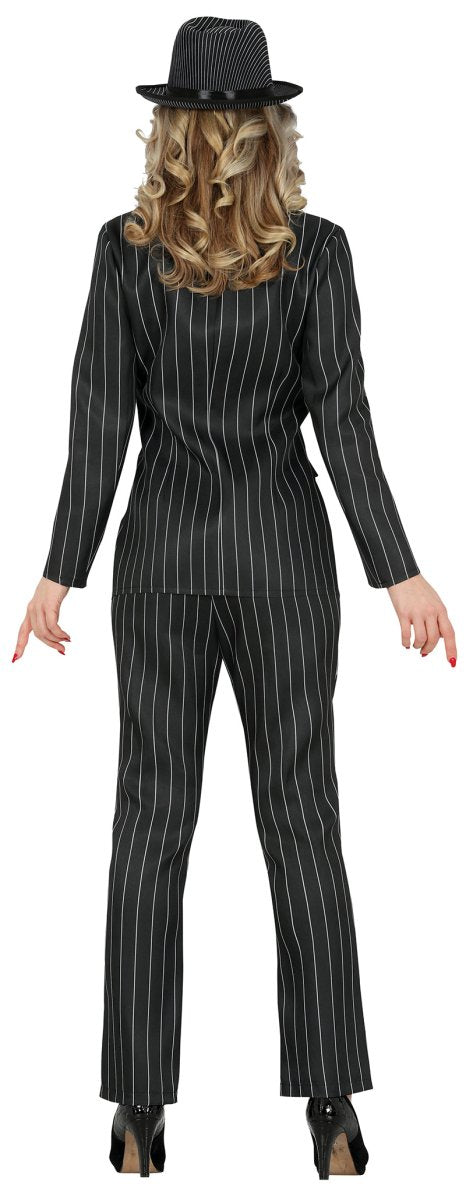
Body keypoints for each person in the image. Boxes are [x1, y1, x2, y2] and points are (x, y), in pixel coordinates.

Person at [13, 16, 457, 1181]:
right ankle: (332, 1111)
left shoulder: (124, 251)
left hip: (160, 564)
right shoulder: (318, 249)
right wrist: (397, 569)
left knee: (149, 827)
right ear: (271, 128)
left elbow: (97, 422)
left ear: (170, 129)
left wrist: (61, 571)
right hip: (283, 568)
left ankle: (137, 1113)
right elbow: (342, 418)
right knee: (302, 822)